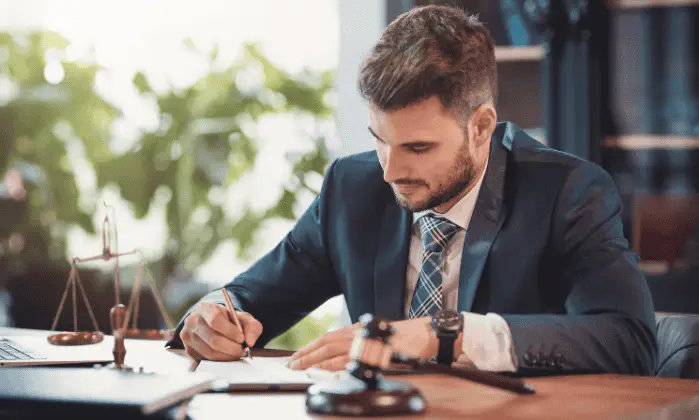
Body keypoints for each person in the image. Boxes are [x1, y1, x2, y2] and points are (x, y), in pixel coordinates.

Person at [166, 4, 658, 375]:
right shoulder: (352, 188)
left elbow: (629, 340)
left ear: (481, 127)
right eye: (381, 141)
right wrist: (214, 317)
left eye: (418, 148)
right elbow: (248, 298)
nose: (390, 171)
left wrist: (448, 335)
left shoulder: (567, 193)